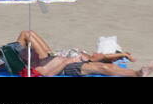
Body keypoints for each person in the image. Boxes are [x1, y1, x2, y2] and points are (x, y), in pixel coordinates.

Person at [13, 31, 151, 77]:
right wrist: (68, 61)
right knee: (102, 68)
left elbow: (100, 57)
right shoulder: (34, 69)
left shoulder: (38, 59)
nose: (29, 51)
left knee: (27, 33)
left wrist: (125, 55)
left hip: (52, 57)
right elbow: (49, 75)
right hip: (66, 65)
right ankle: (137, 74)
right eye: (26, 52)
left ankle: (11, 53)